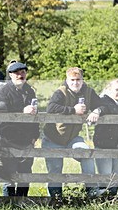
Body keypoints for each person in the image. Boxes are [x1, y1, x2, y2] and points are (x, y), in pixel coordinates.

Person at [42, 67, 103, 200]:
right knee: (55, 170)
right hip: (53, 138)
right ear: (67, 80)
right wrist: (72, 110)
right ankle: (55, 199)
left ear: (82, 80)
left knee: (86, 153)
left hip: (73, 138)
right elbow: (51, 108)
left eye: (78, 80)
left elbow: (103, 105)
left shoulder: (89, 92)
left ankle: (91, 191)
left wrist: (97, 111)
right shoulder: (60, 92)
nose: (75, 83)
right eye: (72, 80)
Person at [0, 61, 39, 197]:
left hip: (27, 139)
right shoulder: (3, 92)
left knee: (26, 172)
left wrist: (35, 136)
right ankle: (8, 203)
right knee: (9, 173)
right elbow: (2, 113)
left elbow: (35, 116)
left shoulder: (30, 90)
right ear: (10, 74)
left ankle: (22, 201)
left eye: (23, 72)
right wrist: (22, 111)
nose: (20, 75)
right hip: (8, 138)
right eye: (16, 73)